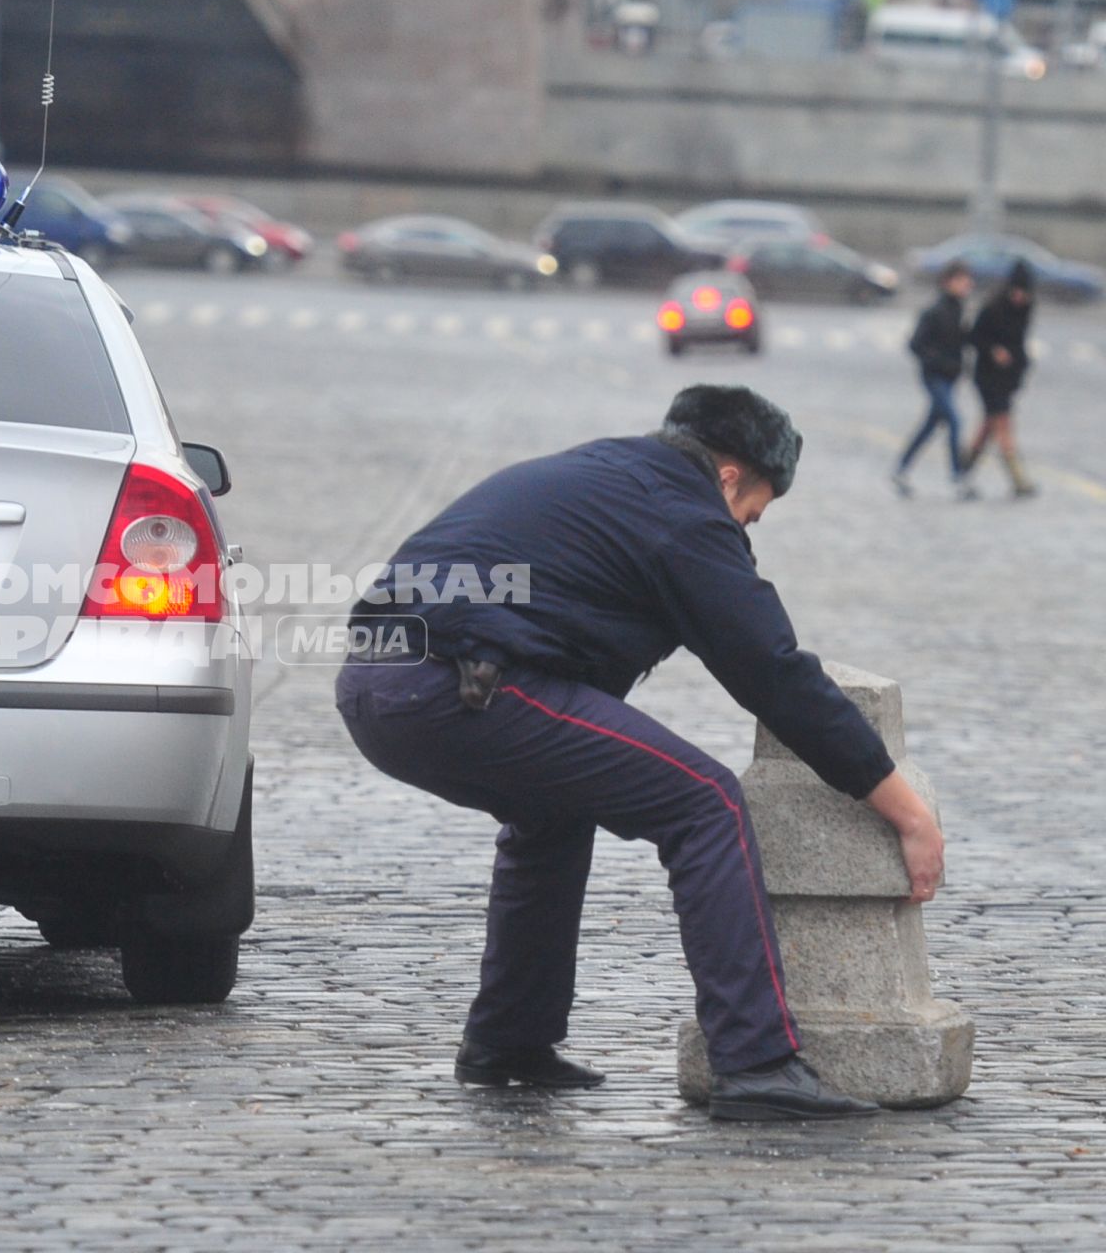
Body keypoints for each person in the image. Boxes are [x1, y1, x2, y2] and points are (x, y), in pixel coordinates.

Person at [336, 386, 945, 1121]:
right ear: (728, 475)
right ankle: (756, 1063)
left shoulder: (610, 474)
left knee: (552, 812)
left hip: (377, 683)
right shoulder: (683, 517)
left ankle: (509, 1041)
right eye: (760, 502)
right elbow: (775, 675)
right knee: (706, 801)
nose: (754, 520)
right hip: (455, 686)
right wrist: (905, 811)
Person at [894, 261, 975, 500]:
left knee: (930, 425)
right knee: (954, 420)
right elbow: (915, 344)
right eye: (961, 280)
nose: (966, 286)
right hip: (935, 377)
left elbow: (964, 341)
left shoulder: (960, 310)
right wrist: (937, 361)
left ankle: (901, 470)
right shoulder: (935, 311)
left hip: (951, 378)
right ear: (948, 282)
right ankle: (958, 477)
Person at [963, 260, 1038, 498]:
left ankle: (962, 469)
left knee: (988, 427)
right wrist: (994, 350)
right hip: (988, 376)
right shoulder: (992, 308)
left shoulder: (1025, 311)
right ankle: (1018, 480)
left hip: (1008, 378)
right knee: (1003, 424)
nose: (1019, 297)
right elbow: (974, 336)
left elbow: (1020, 344)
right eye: (1016, 291)